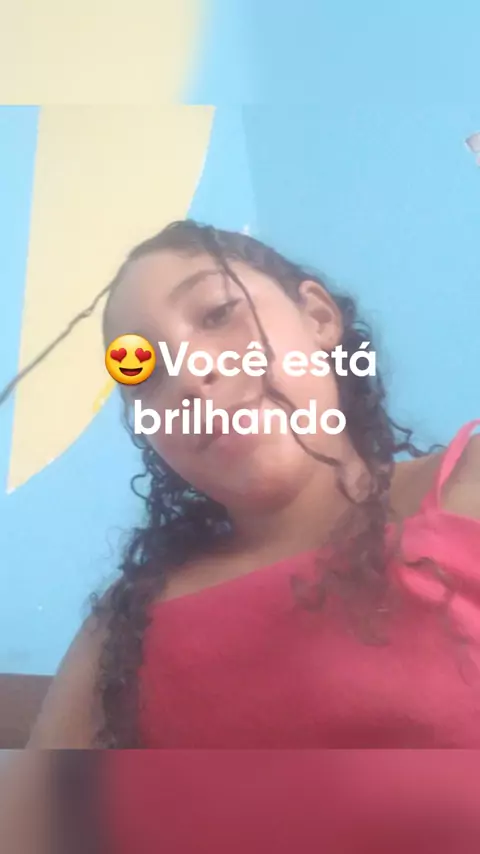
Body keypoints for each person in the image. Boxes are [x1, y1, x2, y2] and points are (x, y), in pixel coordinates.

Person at [1, 220, 479, 851]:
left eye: (217, 313)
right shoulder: (125, 628)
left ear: (317, 318)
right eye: (142, 371)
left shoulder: (469, 485)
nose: (190, 374)